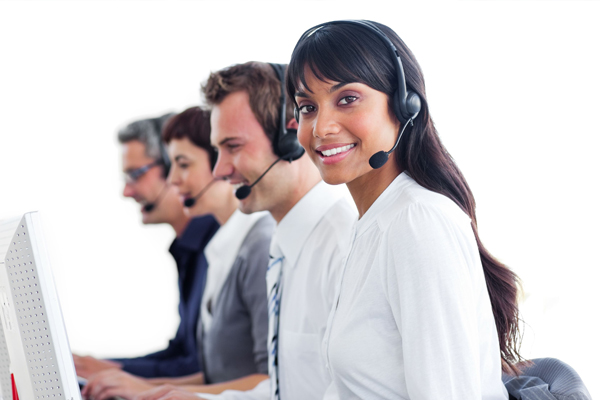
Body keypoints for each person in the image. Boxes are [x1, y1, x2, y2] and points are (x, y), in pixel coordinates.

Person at [286, 20, 522, 399]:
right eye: (308, 107)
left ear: (403, 105)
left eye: (347, 98)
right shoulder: (372, 223)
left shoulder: (417, 222)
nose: (321, 127)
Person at [135, 62, 356, 400]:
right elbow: (284, 390)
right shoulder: (282, 246)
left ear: (290, 138)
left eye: (233, 147)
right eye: (217, 149)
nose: (220, 170)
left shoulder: (344, 248)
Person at [81, 107, 274, 400]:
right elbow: (207, 365)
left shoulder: (252, 244)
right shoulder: (218, 247)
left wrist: (136, 382)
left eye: (182, 164)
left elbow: (264, 378)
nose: (173, 180)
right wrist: (119, 375)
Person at [74, 114, 220, 380]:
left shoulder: (220, 246)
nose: (127, 191)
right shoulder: (188, 248)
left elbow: (203, 368)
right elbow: (181, 351)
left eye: (135, 175)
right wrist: (101, 368)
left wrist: (113, 372)